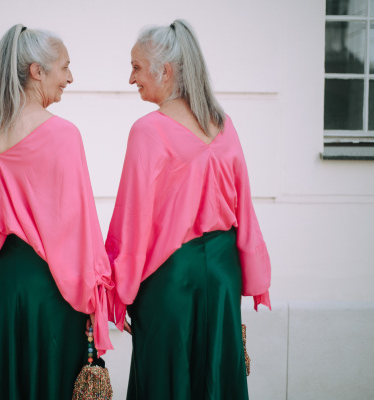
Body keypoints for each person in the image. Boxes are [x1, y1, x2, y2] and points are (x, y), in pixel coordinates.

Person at [105, 19, 271, 399]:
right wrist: (251, 270)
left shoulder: (148, 130)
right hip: (223, 275)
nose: (132, 79)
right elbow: (243, 205)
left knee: (167, 380)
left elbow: (133, 222)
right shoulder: (223, 125)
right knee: (215, 380)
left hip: (171, 281)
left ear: (164, 70)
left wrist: (118, 290)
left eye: (136, 67)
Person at [0, 24, 114, 400]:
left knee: (10, 380)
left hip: (2, 284)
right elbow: (79, 228)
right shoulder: (63, 135)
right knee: (53, 377)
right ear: (37, 71)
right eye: (64, 67)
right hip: (54, 285)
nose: (70, 77)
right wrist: (94, 297)